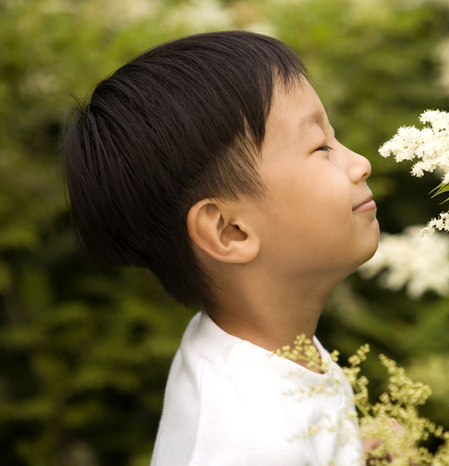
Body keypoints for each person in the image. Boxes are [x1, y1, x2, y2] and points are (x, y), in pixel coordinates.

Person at [62, 30, 379, 465]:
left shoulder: (260, 353)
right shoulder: (254, 441)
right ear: (230, 231)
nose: (360, 163)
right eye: (321, 147)